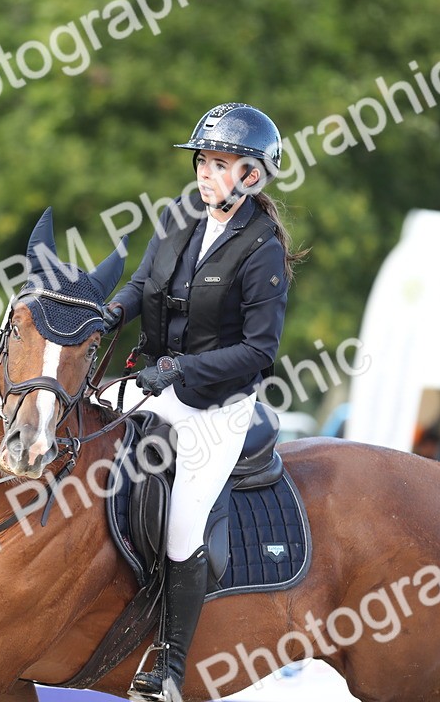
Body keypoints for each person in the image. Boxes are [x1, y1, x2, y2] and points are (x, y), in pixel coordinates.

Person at [102, 102, 305, 702]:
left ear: (252, 175)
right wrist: (111, 312)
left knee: (183, 528)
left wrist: (184, 370)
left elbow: (259, 351)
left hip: (216, 407)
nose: (205, 174)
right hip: (154, 381)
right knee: (75, 430)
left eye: (220, 163)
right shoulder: (178, 217)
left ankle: (168, 665)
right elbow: (143, 285)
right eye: (203, 161)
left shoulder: (262, 248)